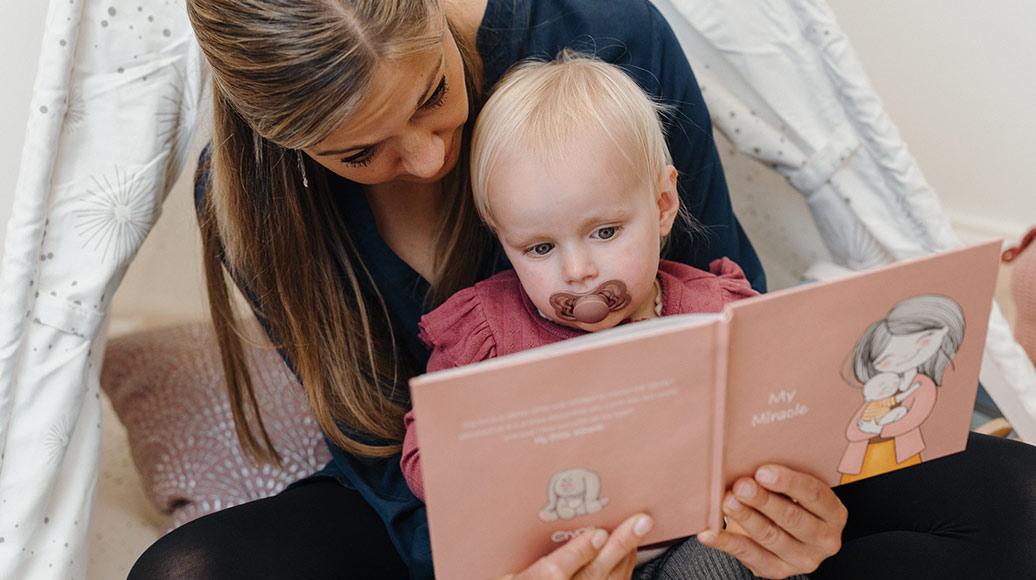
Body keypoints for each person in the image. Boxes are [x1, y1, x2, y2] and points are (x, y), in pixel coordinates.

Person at [129, 1, 1036, 579]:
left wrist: (787, 516)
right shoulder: (254, 202)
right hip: (455, 521)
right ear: (287, 140)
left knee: (1017, 504)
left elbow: (731, 329)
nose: (431, 159)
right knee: (191, 572)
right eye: (360, 153)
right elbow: (380, 452)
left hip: (697, 498)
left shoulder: (606, 35)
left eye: (433, 94)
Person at [398, 54, 761, 510]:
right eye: (540, 248)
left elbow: (778, 409)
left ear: (663, 204)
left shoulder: (718, 315)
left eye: (604, 232)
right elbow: (425, 459)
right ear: (502, 237)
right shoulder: (486, 340)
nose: (577, 270)